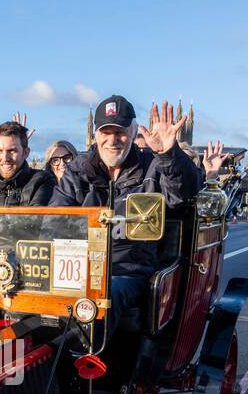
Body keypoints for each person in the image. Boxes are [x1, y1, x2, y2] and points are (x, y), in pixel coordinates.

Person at [50, 95, 225, 334]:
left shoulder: (152, 166)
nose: (113, 141)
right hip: (79, 269)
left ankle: (86, 364)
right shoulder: (77, 170)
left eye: (120, 132)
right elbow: (53, 219)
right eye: (106, 132)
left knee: (106, 293)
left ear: (133, 132)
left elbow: (182, 195)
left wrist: (168, 155)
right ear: (95, 134)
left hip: (129, 270)